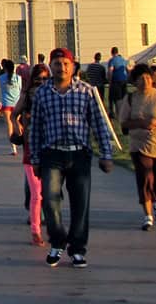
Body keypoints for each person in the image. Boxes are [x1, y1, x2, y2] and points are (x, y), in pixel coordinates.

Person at [29, 47, 115, 268]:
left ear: (73, 65)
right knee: (49, 200)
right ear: (51, 66)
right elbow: (36, 128)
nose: (62, 68)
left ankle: (77, 249)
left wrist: (106, 154)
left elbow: (99, 124)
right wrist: (35, 159)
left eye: (66, 63)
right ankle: (57, 242)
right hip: (52, 154)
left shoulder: (85, 91)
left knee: (80, 204)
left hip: (79, 154)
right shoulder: (42, 93)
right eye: (57, 64)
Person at [118, 63, 156, 230]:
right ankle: (148, 215)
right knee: (144, 179)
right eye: (141, 78)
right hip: (139, 146)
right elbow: (124, 122)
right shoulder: (130, 99)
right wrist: (141, 123)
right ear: (135, 81)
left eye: (148, 77)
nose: (145, 81)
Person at [12, 63, 51, 246]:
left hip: (51, 147)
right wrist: (18, 126)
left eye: (45, 78)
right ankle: (36, 229)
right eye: (38, 79)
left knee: (49, 192)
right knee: (37, 192)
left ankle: (50, 224)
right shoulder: (28, 95)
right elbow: (15, 113)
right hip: (32, 146)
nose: (42, 82)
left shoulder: (53, 96)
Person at [0, 58, 22, 156]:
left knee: (9, 125)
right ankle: (21, 139)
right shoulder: (18, 78)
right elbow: (21, 90)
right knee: (17, 123)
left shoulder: (0, 78)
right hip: (17, 104)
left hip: (6, 104)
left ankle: (13, 148)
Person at [107, 46, 129, 116]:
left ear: (111, 52)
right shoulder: (123, 59)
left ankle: (118, 113)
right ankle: (125, 112)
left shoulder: (112, 60)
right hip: (124, 80)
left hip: (116, 80)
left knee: (117, 98)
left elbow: (110, 71)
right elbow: (127, 69)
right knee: (124, 97)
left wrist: (109, 81)